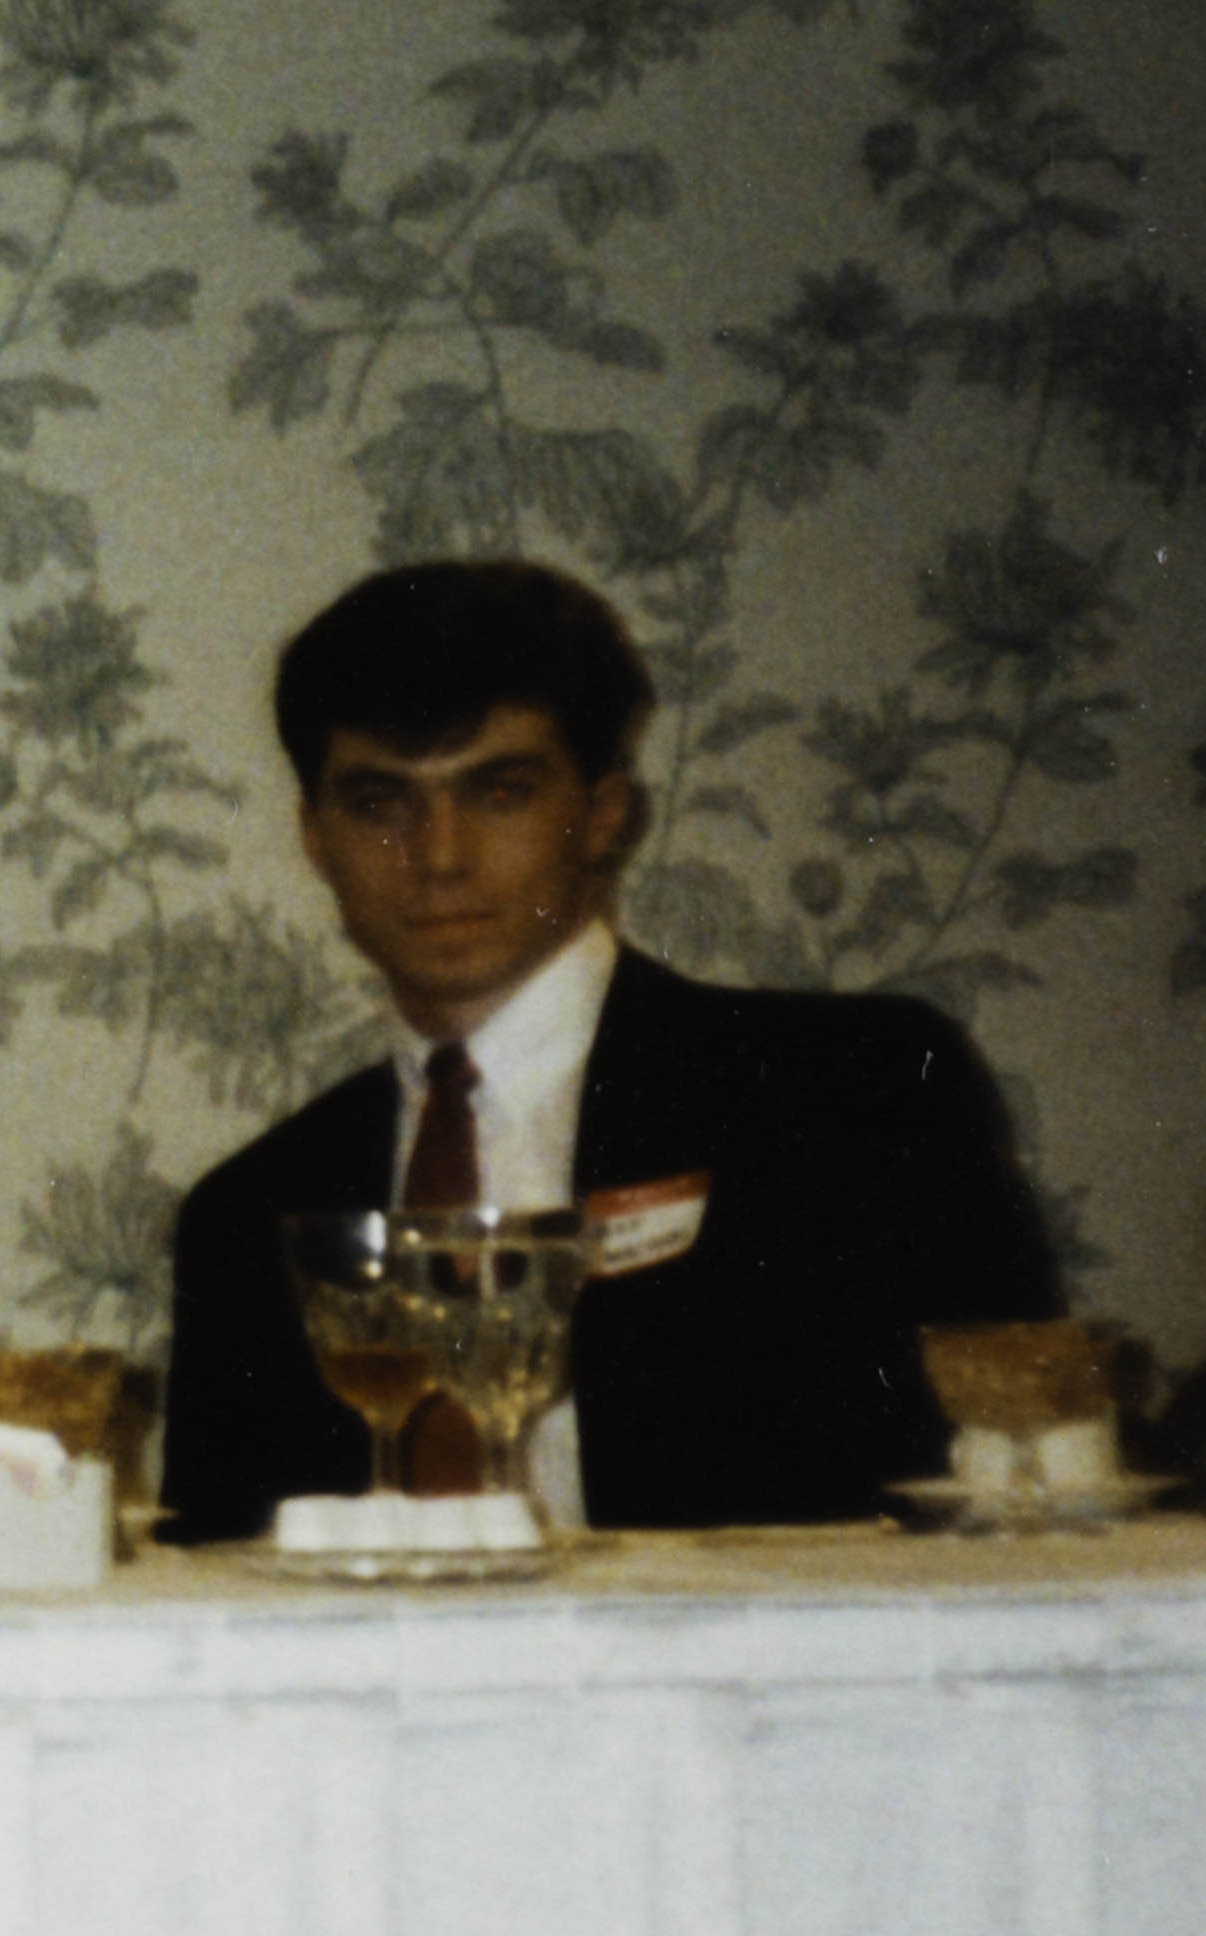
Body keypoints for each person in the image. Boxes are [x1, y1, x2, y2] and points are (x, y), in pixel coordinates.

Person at [157, 555, 1056, 1535]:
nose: (438, 856)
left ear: (603, 815)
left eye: (499, 792)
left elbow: (1024, 1501)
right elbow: (216, 1601)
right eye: (380, 803)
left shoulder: (849, 1092)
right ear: (314, 840)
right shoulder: (248, 1216)